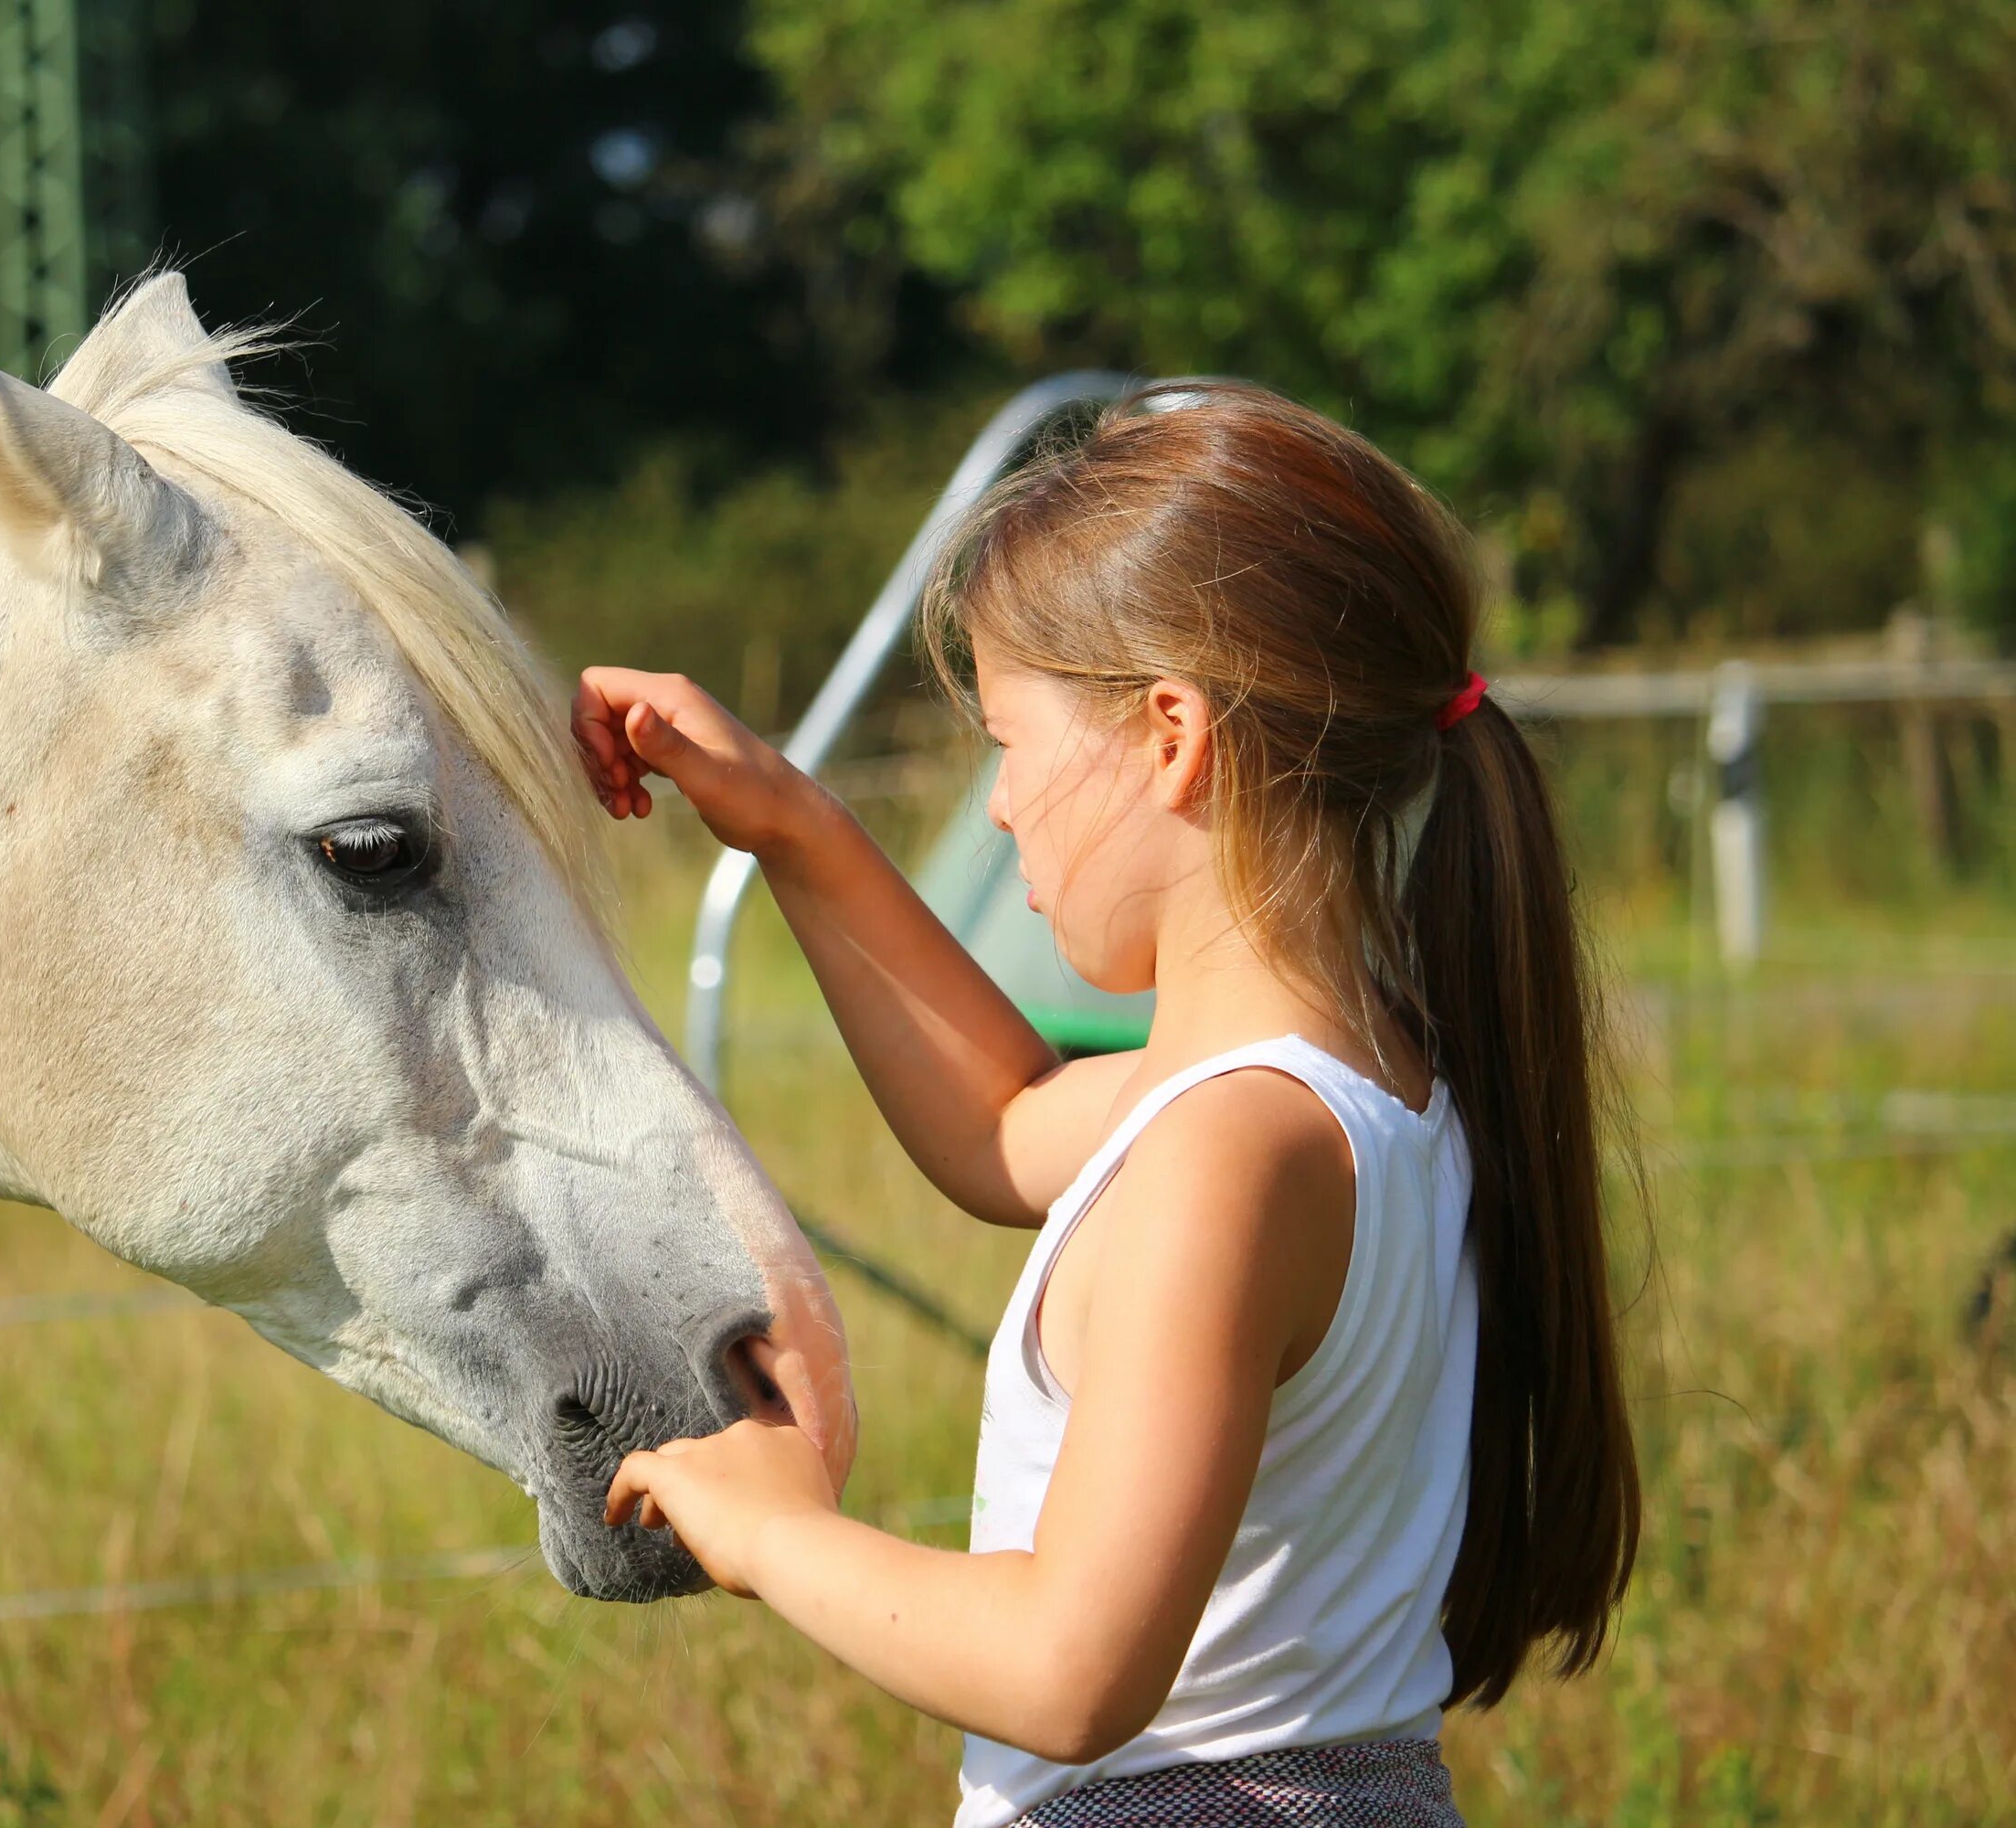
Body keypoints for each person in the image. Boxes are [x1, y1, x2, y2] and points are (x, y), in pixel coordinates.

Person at [573, 382, 1640, 1827]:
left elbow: (1070, 1672)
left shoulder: (1227, 1156)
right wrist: (790, 825)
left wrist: (774, 1534)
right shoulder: (1374, 1082)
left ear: (1169, 736)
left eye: (1008, 745)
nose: (999, 807)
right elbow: (1006, 1120)